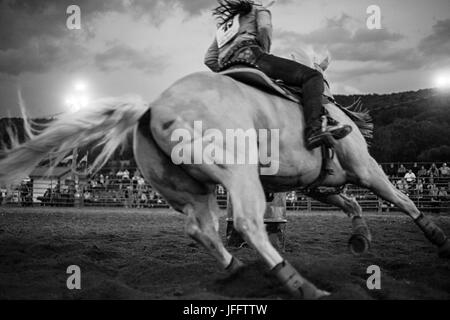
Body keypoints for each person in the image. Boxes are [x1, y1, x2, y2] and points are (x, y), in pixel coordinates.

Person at [204, 0, 351, 150]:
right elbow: (264, 28)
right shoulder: (258, 10)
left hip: (226, 67)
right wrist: (262, 53)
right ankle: (314, 128)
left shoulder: (223, 26)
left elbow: (209, 59)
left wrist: (229, 69)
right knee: (313, 76)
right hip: (252, 56)